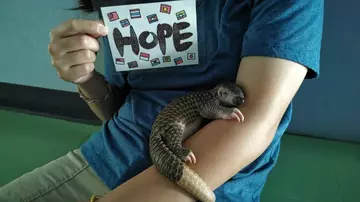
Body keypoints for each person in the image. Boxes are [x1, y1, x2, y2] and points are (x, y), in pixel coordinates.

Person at [0, 0, 324, 201]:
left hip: (208, 184)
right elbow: (118, 112)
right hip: (105, 158)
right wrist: (84, 78)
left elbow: (252, 123)